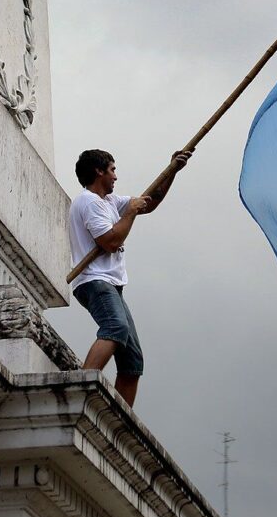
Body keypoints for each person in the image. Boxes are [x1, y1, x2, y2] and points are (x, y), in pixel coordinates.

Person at [68, 148, 191, 406]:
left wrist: (172, 171)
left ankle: (120, 420)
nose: (115, 176)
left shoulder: (110, 202)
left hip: (112, 285)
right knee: (116, 327)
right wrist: (131, 212)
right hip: (94, 281)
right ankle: (79, 388)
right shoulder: (88, 202)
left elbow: (150, 202)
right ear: (98, 171)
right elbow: (111, 241)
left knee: (132, 362)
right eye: (112, 169)